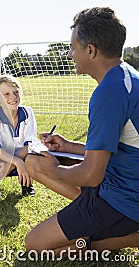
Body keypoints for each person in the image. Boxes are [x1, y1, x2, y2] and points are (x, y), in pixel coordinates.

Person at [24, 7, 139, 254]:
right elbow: (120, 149)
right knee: (33, 163)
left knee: (35, 245)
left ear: (91, 50)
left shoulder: (110, 92)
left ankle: (127, 237)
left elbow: (91, 175)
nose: (69, 53)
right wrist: (67, 147)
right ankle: (99, 223)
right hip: (122, 181)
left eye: (73, 47)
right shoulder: (126, 77)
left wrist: (56, 170)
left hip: (124, 199)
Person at [0, 74, 38, 197]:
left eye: (16, 92)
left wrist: (20, 161)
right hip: (4, 156)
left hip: (25, 155)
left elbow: (29, 146)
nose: (13, 97)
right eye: (6, 94)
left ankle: (26, 185)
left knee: (33, 160)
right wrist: (17, 162)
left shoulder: (27, 112)